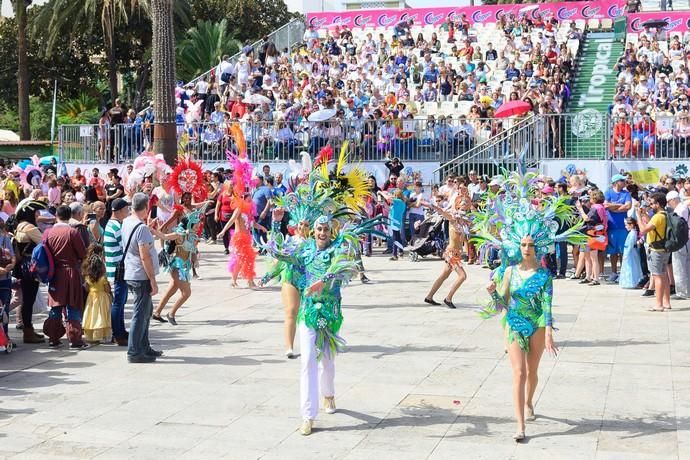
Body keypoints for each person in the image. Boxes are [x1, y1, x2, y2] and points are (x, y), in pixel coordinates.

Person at [476, 164, 586, 442]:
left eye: (531, 245)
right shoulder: (509, 272)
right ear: (517, 246)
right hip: (514, 323)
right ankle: (520, 425)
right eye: (523, 245)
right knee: (519, 372)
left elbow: (547, 307)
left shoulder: (544, 275)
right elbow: (502, 303)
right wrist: (492, 292)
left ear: (538, 247)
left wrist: (549, 332)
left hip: (536, 324)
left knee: (533, 372)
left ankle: (529, 401)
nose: (526, 249)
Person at [264, 215, 360, 436]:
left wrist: (323, 281)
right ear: (313, 231)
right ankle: (307, 416)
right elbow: (279, 255)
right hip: (308, 313)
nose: (322, 233)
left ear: (330, 232)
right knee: (307, 361)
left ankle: (329, 394)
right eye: (319, 229)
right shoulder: (304, 251)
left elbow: (346, 269)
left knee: (326, 361)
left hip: (329, 313)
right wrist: (275, 224)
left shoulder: (337, 250)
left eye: (326, 229)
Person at [121, 193, 162, 363]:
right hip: (140, 274)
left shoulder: (127, 222)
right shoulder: (141, 228)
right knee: (140, 313)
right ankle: (134, 351)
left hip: (131, 272)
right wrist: (152, 279)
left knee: (146, 312)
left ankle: (144, 347)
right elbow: (145, 256)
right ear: (145, 208)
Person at [42, 205, 88, 349]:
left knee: (55, 306)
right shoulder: (72, 232)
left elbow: (44, 251)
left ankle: (53, 338)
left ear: (56, 215)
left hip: (54, 274)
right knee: (73, 305)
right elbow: (83, 254)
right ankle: (75, 339)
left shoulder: (48, 232)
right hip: (71, 273)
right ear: (69, 216)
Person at [152, 210, 204, 325]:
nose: (198, 227)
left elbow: (193, 251)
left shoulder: (193, 236)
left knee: (171, 290)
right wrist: (152, 229)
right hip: (177, 266)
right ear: (190, 224)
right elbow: (164, 236)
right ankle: (171, 314)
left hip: (185, 266)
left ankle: (157, 312)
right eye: (196, 225)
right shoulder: (180, 234)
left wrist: (195, 261)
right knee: (186, 293)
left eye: (198, 225)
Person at [424, 186, 470, 308]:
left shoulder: (464, 221)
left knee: (444, 275)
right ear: (458, 204)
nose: (465, 204)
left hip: (457, 253)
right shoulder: (454, 218)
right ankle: (448, 298)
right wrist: (434, 206)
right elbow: (443, 212)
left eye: (466, 203)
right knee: (462, 276)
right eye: (462, 202)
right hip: (451, 253)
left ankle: (429, 297)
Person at [13, 200, 46, 343]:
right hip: (30, 267)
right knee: (29, 300)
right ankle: (28, 332)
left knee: (26, 300)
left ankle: (29, 329)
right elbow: (44, 243)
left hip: (22, 267)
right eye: (36, 212)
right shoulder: (30, 227)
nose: (38, 215)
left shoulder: (19, 226)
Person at [218, 193, 267, 288]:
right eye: (247, 200)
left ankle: (235, 281)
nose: (249, 202)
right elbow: (231, 220)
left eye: (250, 200)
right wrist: (223, 231)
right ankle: (249, 281)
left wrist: (262, 227)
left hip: (247, 238)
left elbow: (253, 224)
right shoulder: (239, 210)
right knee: (243, 259)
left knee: (241, 260)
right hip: (239, 238)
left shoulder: (249, 211)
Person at [636, 192, 671, 311]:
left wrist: (639, 217)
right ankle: (666, 302)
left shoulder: (658, 216)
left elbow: (643, 229)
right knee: (664, 275)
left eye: (652, 203)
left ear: (658, 204)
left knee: (657, 276)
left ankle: (658, 304)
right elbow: (653, 224)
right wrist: (645, 214)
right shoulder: (665, 215)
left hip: (656, 249)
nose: (650, 205)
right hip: (664, 248)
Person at [104, 198, 130, 346]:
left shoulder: (113, 224)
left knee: (120, 302)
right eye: (126, 210)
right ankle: (117, 333)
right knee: (118, 303)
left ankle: (120, 330)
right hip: (117, 269)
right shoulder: (116, 227)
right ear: (119, 211)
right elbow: (126, 245)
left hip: (116, 268)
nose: (127, 213)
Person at [604, 175, 632, 284]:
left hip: (623, 226)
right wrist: (619, 205)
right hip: (611, 226)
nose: (625, 182)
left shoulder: (626, 193)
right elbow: (606, 205)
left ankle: (622, 272)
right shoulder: (608, 192)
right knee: (613, 252)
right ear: (616, 182)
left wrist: (614, 208)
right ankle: (614, 272)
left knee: (623, 251)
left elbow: (628, 206)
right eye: (622, 180)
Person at [81, 244, 112, 343]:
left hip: (91, 297)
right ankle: (102, 335)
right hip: (102, 297)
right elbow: (107, 289)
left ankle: (91, 335)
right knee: (101, 316)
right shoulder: (103, 278)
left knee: (92, 316)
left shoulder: (88, 277)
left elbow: (86, 288)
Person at [576, 189, 607, 286]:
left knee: (592, 257)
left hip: (592, 234)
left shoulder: (595, 208)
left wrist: (580, 209)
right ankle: (588, 277)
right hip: (595, 233)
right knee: (588, 257)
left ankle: (595, 278)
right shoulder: (601, 207)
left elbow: (587, 218)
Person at [666, 191, 690, 300]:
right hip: (686, 240)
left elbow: (676, 227)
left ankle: (682, 292)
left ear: (673, 200)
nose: (668, 204)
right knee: (686, 267)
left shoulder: (680, 210)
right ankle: (686, 291)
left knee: (679, 267)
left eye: (668, 202)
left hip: (681, 241)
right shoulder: (685, 207)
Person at [619, 217, 643, 289]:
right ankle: (629, 282)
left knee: (631, 266)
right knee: (630, 266)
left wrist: (626, 254)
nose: (626, 227)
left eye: (627, 225)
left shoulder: (632, 233)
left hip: (631, 253)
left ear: (632, 225)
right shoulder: (632, 233)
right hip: (630, 252)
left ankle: (631, 282)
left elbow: (630, 245)